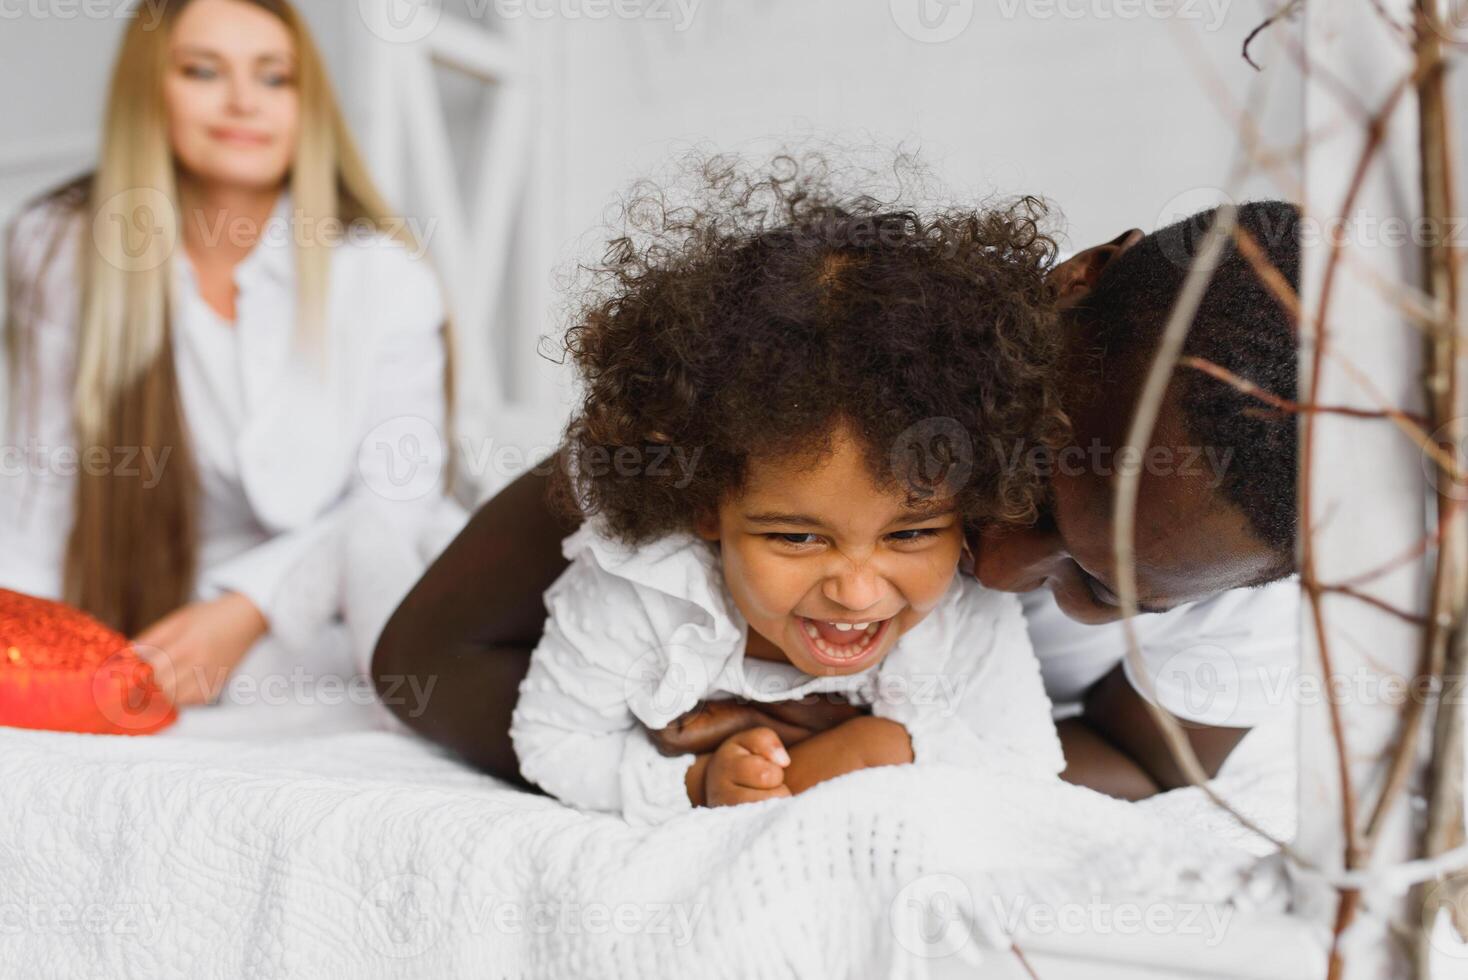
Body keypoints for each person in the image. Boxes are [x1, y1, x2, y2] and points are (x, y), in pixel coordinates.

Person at [373, 198, 1301, 801]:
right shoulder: (836, 376)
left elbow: (1139, 765)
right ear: (1073, 285)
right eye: (1030, 486)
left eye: (1104, 590)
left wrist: (856, 754)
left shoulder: (1258, 580)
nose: (1004, 568)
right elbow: (425, 656)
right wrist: (689, 776)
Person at [509, 174, 1068, 824]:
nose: (857, 595)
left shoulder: (962, 606)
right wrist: (696, 783)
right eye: (798, 538)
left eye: (910, 534)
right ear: (706, 507)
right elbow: (550, 742)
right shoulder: (643, 591)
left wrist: (868, 751)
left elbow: (1025, 766)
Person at [1, 0, 453, 709]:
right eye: (204, 71)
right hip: (166, 613)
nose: (244, 101)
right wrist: (25, 645)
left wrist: (247, 610)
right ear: (148, 88)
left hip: (360, 592)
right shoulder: (60, 248)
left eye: (274, 78)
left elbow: (397, 498)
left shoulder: (384, 275)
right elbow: (42, 496)